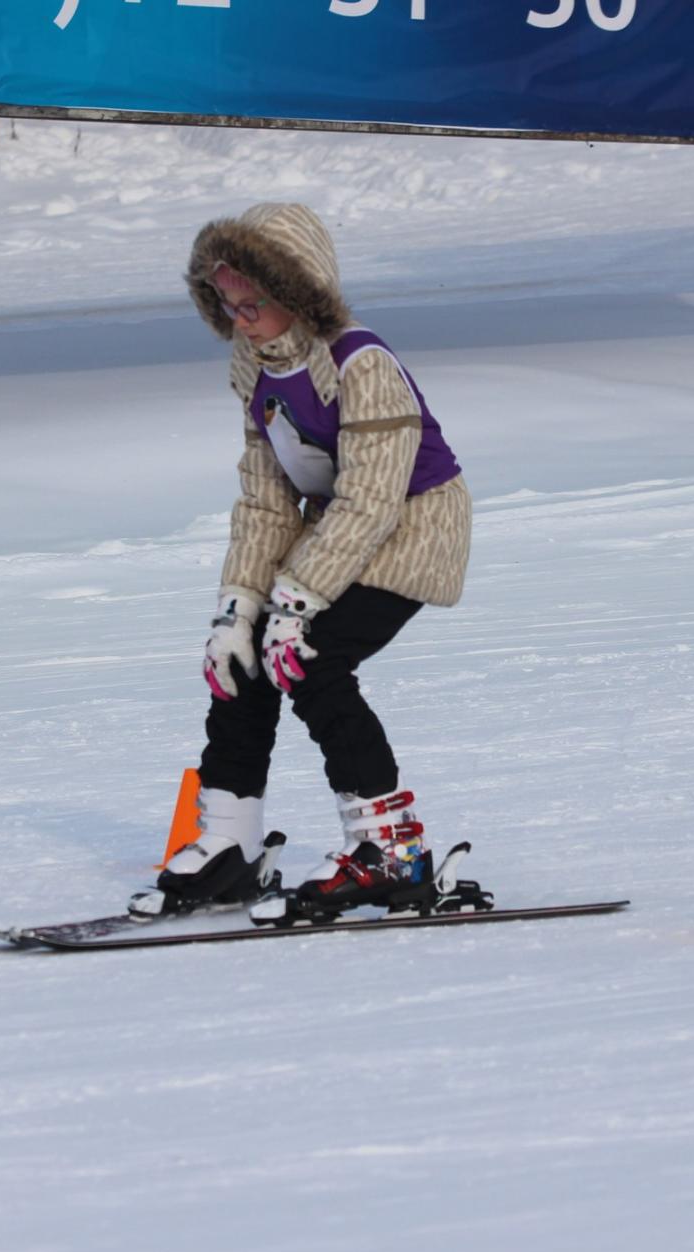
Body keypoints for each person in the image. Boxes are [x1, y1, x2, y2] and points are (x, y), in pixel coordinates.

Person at [151, 202, 473, 918]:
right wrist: (238, 607)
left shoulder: (362, 364)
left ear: (298, 293)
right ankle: (231, 839)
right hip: (336, 532)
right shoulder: (257, 367)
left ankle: (390, 849)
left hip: (413, 529)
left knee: (310, 660)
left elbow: (372, 501)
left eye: (254, 303)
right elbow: (267, 501)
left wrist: (296, 604)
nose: (241, 320)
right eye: (227, 304)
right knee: (246, 656)